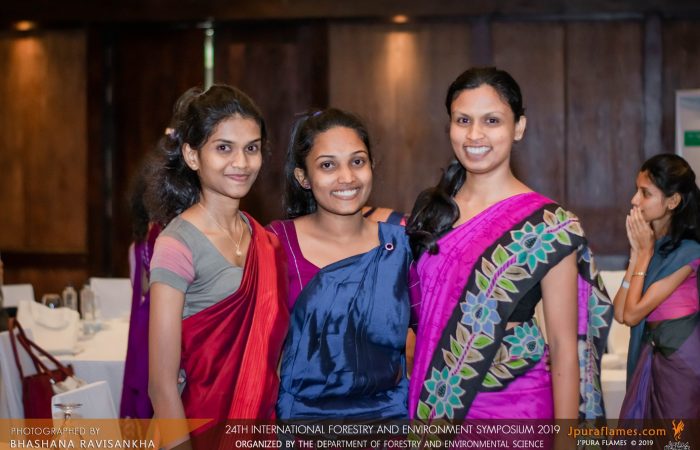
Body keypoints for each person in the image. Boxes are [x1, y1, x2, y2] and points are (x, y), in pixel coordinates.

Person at [406, 67, 612, 422]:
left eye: (492, 120)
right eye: (463, 120)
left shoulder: (549, 225)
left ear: (519, 127)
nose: (475, 134)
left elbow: (564, 349)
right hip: (434, 400)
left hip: (515, 404)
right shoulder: (432, 210)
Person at [145, 85, 288, 439]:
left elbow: (273, 364)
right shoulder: (177, 245)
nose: (241, 163)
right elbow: (161, 387)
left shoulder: (268, 244)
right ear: (192, 156)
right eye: (224, 148)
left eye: (251, 148)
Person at [269, 108, 411, 419]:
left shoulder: (401, 246)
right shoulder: (276, 244)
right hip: (301, 427)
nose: (347, 177)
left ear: (372, 165)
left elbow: (438, 331)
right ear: (303, 177)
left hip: (390, 424)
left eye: (357, 162)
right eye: (327, 165)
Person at [615, 153, 700, 419]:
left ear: (672, 201)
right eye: (636, 191)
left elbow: (633, 314)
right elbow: (619, 312)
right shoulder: (653, 247)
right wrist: (635, 256)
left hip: (679, 364)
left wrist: (643, 255)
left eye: (645, 193)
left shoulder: (689, 252)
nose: (634, 200)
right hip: (652, 356)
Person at [119, 162, 161, 419]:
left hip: (145, 322)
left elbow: (141, 287)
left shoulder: (139, 244)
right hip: (163, 321)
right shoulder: (173, 235)